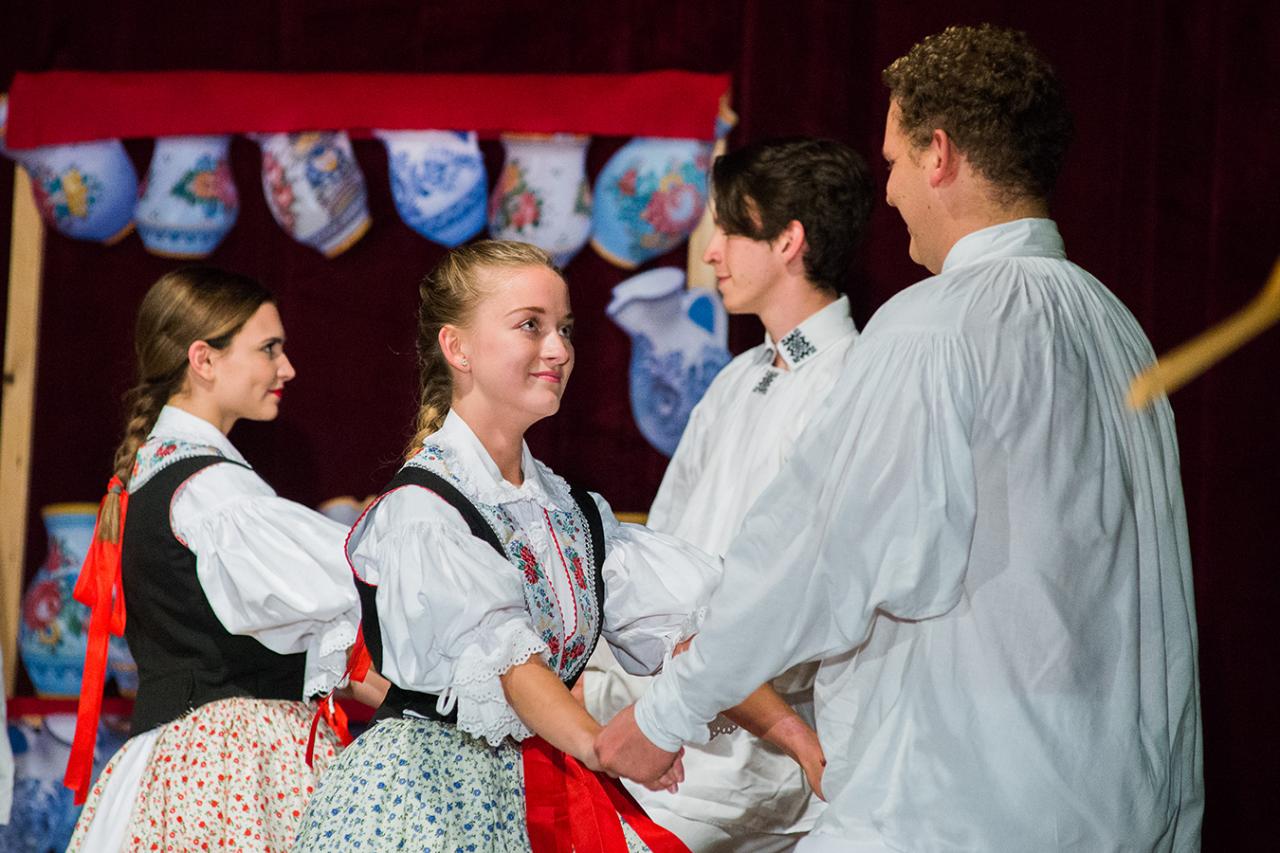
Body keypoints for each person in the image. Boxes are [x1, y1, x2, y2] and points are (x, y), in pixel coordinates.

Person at [597, 24, 1203, 852]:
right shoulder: (1117, 328)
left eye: (893, 161)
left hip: (956, 808)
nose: (887, 193)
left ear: (939, 154)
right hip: (1116, 810)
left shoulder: (934, 327)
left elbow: (816, 556)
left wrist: (669, 710)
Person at [295, 240, 822, 852]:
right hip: (426, 804)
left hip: (538, 791)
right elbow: (511, 663)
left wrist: (801, 741)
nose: (559, 349)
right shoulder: (425, 510)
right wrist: (601, 746)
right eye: (531, 325)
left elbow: (690, 637)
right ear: (458, 348)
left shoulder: (571, 514)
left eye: (564, 328)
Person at [581, 137, 872, 852]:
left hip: (759, 761)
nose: (712, 253)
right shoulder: (739, 376)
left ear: (789, 242)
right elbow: (663, 548)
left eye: (732, 231)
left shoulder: (853, 382)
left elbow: (809, 597)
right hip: (675, 725)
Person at [64, 267, 366, 852]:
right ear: (203, 359)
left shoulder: (158, 472)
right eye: (268, 349)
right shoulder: (213, 490)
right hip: (231, 766)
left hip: (170, 762)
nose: (286, 368)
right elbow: (357, 587)